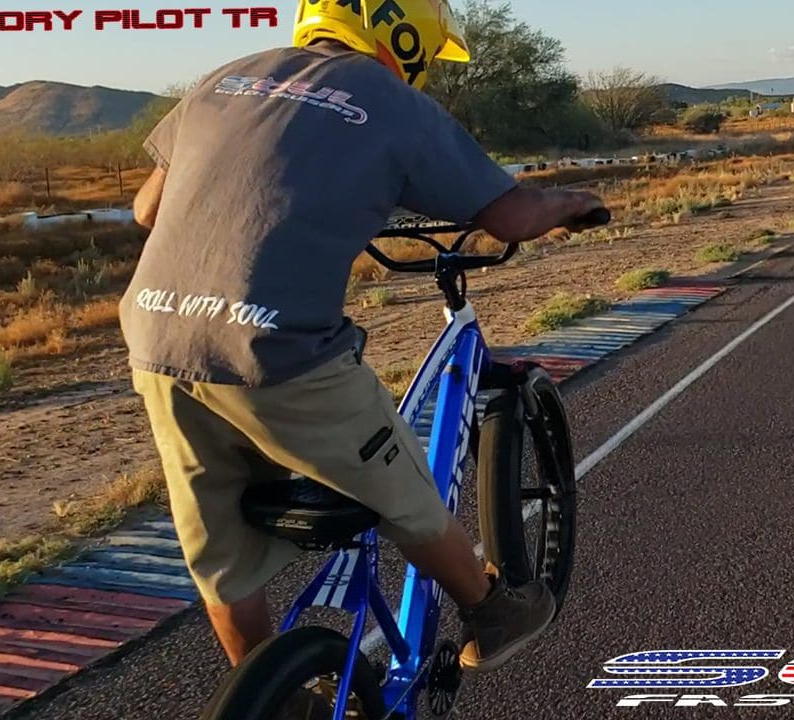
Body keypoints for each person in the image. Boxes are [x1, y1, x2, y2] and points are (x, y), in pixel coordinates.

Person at [121, 0, 605, 675]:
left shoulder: (225, 78)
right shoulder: (391, 100)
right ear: (404, 41)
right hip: (275, 348)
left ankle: (271, 694)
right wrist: (569, 204)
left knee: (222, 558)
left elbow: (147, 209)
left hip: (156, 334)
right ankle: (491, 612)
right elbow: (514, 217)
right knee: (405, 491)